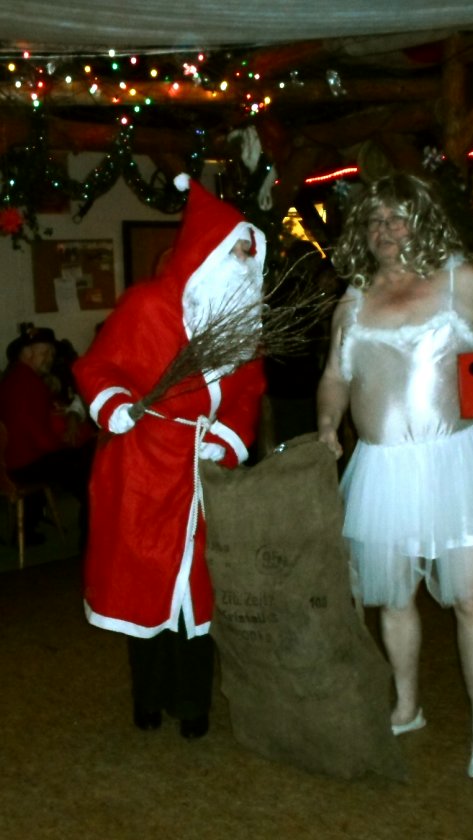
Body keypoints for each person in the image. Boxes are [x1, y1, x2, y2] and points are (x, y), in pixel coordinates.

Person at [316, 173, 473, 780]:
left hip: (458, 463)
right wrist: (327, 421)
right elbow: (335, 376)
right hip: (382, 469)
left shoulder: (465, 282)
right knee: (393, 596)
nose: (384, 229)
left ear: (423, 220)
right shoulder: (353, 300)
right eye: (375, 220)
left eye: (397, 217)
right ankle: (406, 706)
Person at [73, 174, 267, 740]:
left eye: (248, 255)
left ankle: (193, 703)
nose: (244, 265)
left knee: (198, 591)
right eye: (236, 252)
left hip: (205, 472)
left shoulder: (241, 328)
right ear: (207, 253)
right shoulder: (147, 305)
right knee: (146, 584)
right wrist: (114, 404)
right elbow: (98, 365)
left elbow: (249, 392)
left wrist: (229, 437)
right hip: (144, 468)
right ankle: (149, 696)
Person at [0, 324, 94, 544]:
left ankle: (27, 529)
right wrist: (68, 444)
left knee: (80, 458)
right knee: (89, 471)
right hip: (26, 463)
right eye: (44, 353)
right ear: (27, 354)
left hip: (13, 460)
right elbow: (41, 440)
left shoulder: (17, 377)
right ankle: (90, 536)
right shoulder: (28, 384)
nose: (50, 358)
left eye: (51, 353)